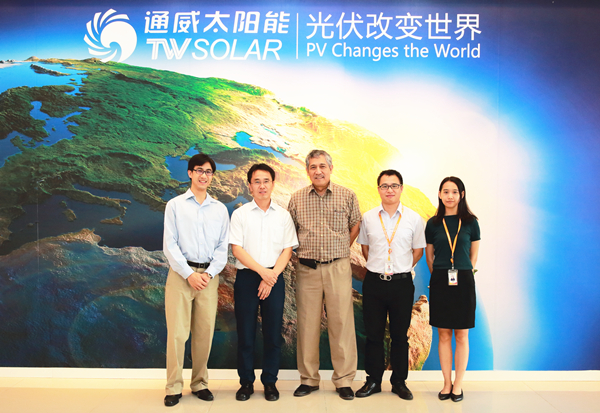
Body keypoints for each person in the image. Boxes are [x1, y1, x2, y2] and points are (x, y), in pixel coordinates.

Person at [287, 149, 361, 401]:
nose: (318, 171)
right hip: (307, 269)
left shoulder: (347, 195)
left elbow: (355, 224)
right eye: (313, 167)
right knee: (307, 324)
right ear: (307, 170)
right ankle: (309, 379)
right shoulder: (297, 198)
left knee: (341, 323)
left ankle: (344, 380)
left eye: (322, 166)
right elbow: (290, 231)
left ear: (330, 168)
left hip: (338, 267)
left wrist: (341, 248)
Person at [162, 153, 229, 407]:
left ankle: (200, 383)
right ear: (190, 173)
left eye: (208, 171)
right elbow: (170, 244)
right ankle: (173, 387)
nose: (204, 175)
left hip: (209, 278)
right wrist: (189, 274)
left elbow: (223, 247)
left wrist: (208, 274)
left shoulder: (220, 209)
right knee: (177, 334)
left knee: (204, 333)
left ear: (212, 176)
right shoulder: (175, 205)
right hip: (181, 276)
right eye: (199, 170)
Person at [229, 163, 298, 402]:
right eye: (256, 181)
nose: (261, 186)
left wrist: (271, 276)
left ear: (273, 184)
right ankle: (246, 382)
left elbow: (287, 250)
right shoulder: (240, 214)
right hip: (248, 277)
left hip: (275, 277)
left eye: (266, 181)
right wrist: (262, 273)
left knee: (273, 333)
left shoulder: (283, 215)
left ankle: (270, 382)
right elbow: (237, 249)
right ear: (250, 186)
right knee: (246, 333)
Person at [355, 170, 426, 400]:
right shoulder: (368, 217)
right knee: (373, 334)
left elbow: (418, 251)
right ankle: (373, 380)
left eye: (394, 185)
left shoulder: (414, 219)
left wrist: (401, 268)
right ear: (378, 189)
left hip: (401, 285)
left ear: (401, 189)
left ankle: (399, 382)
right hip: (374, 283)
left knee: (399, 336)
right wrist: (379, 267)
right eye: (384, 186)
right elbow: (365, 248)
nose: (389, 190)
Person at [425, 176, 480, 403]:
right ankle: (446, 383)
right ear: (439, 195)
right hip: (440, 281)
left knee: (462, 335)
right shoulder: (432, 223)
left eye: (454, 192)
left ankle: (458, 385)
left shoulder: (471, 222)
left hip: (464, 280)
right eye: (445, 191)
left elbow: (473, 255)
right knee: (444, 334)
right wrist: (440, 274)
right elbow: (429, 257)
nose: (450, 196)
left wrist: (463, 271)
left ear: (461, 195)